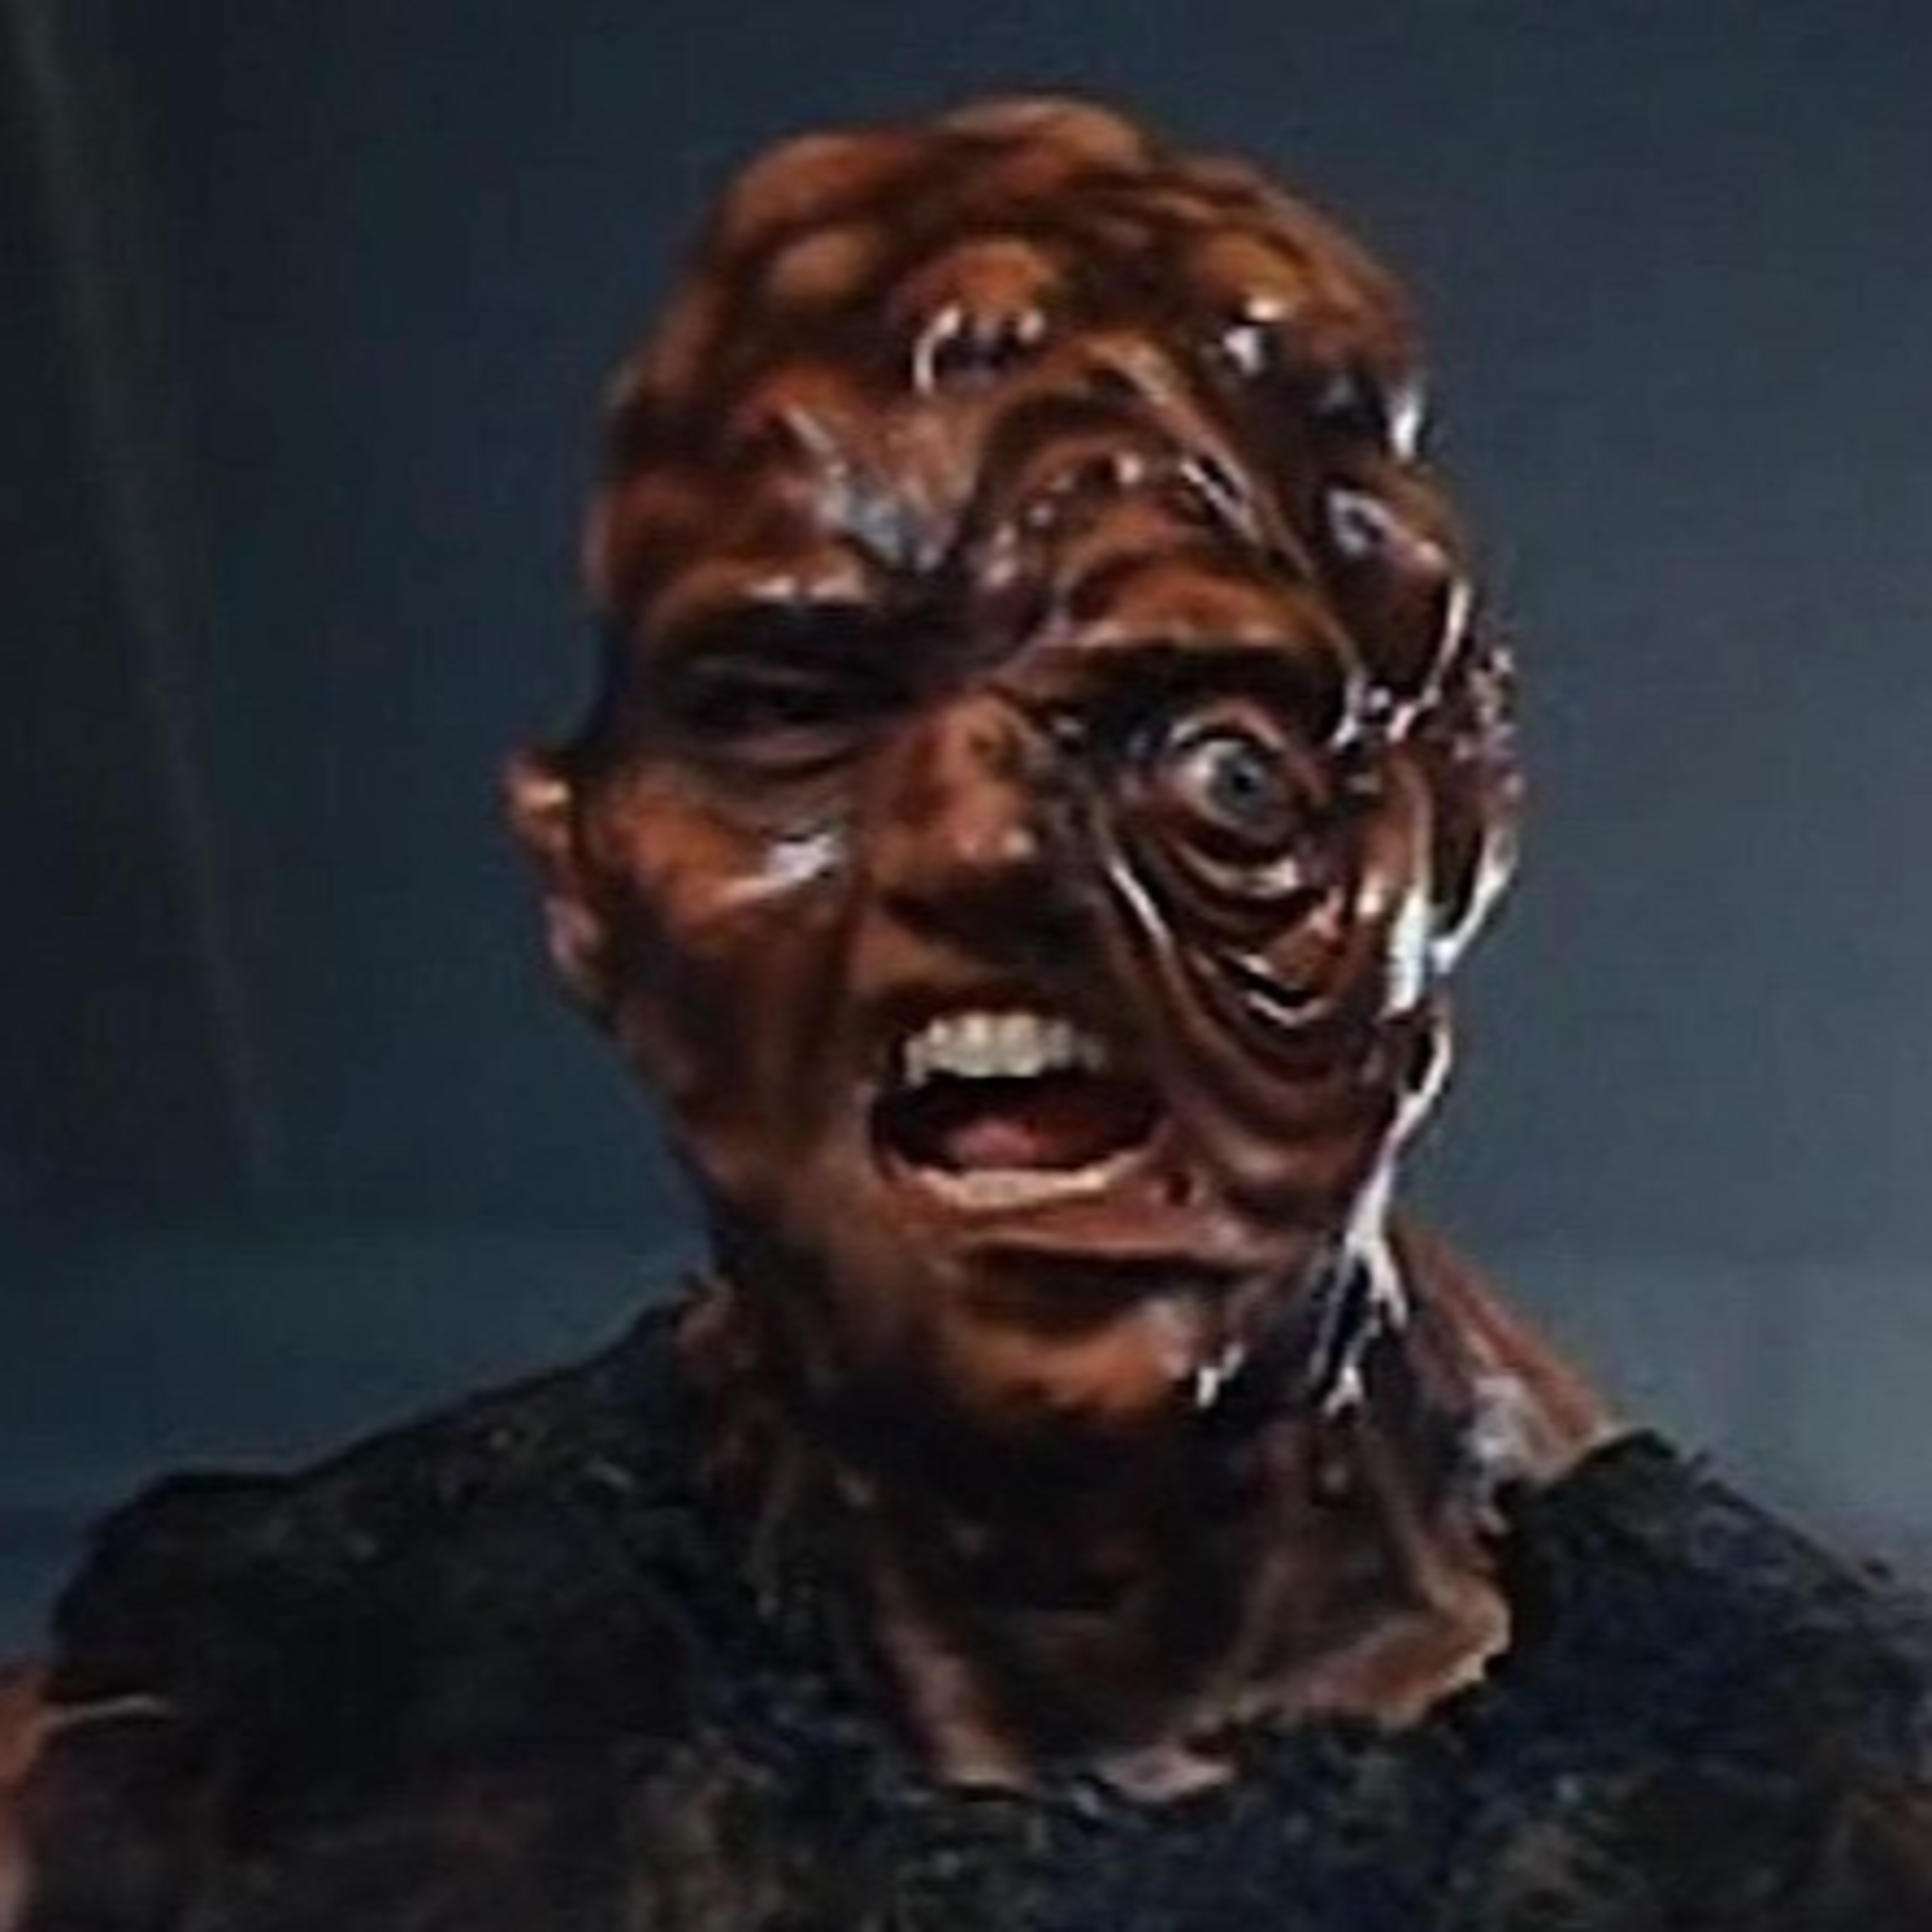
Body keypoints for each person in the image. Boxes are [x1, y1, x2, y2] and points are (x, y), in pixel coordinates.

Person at [3, 96, 1929, 1931]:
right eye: (791, 712)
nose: (981, 842)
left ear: (1446, 834)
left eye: (1215, 750)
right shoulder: (221, 1776)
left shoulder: (1813, 1798)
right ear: (587, 877)